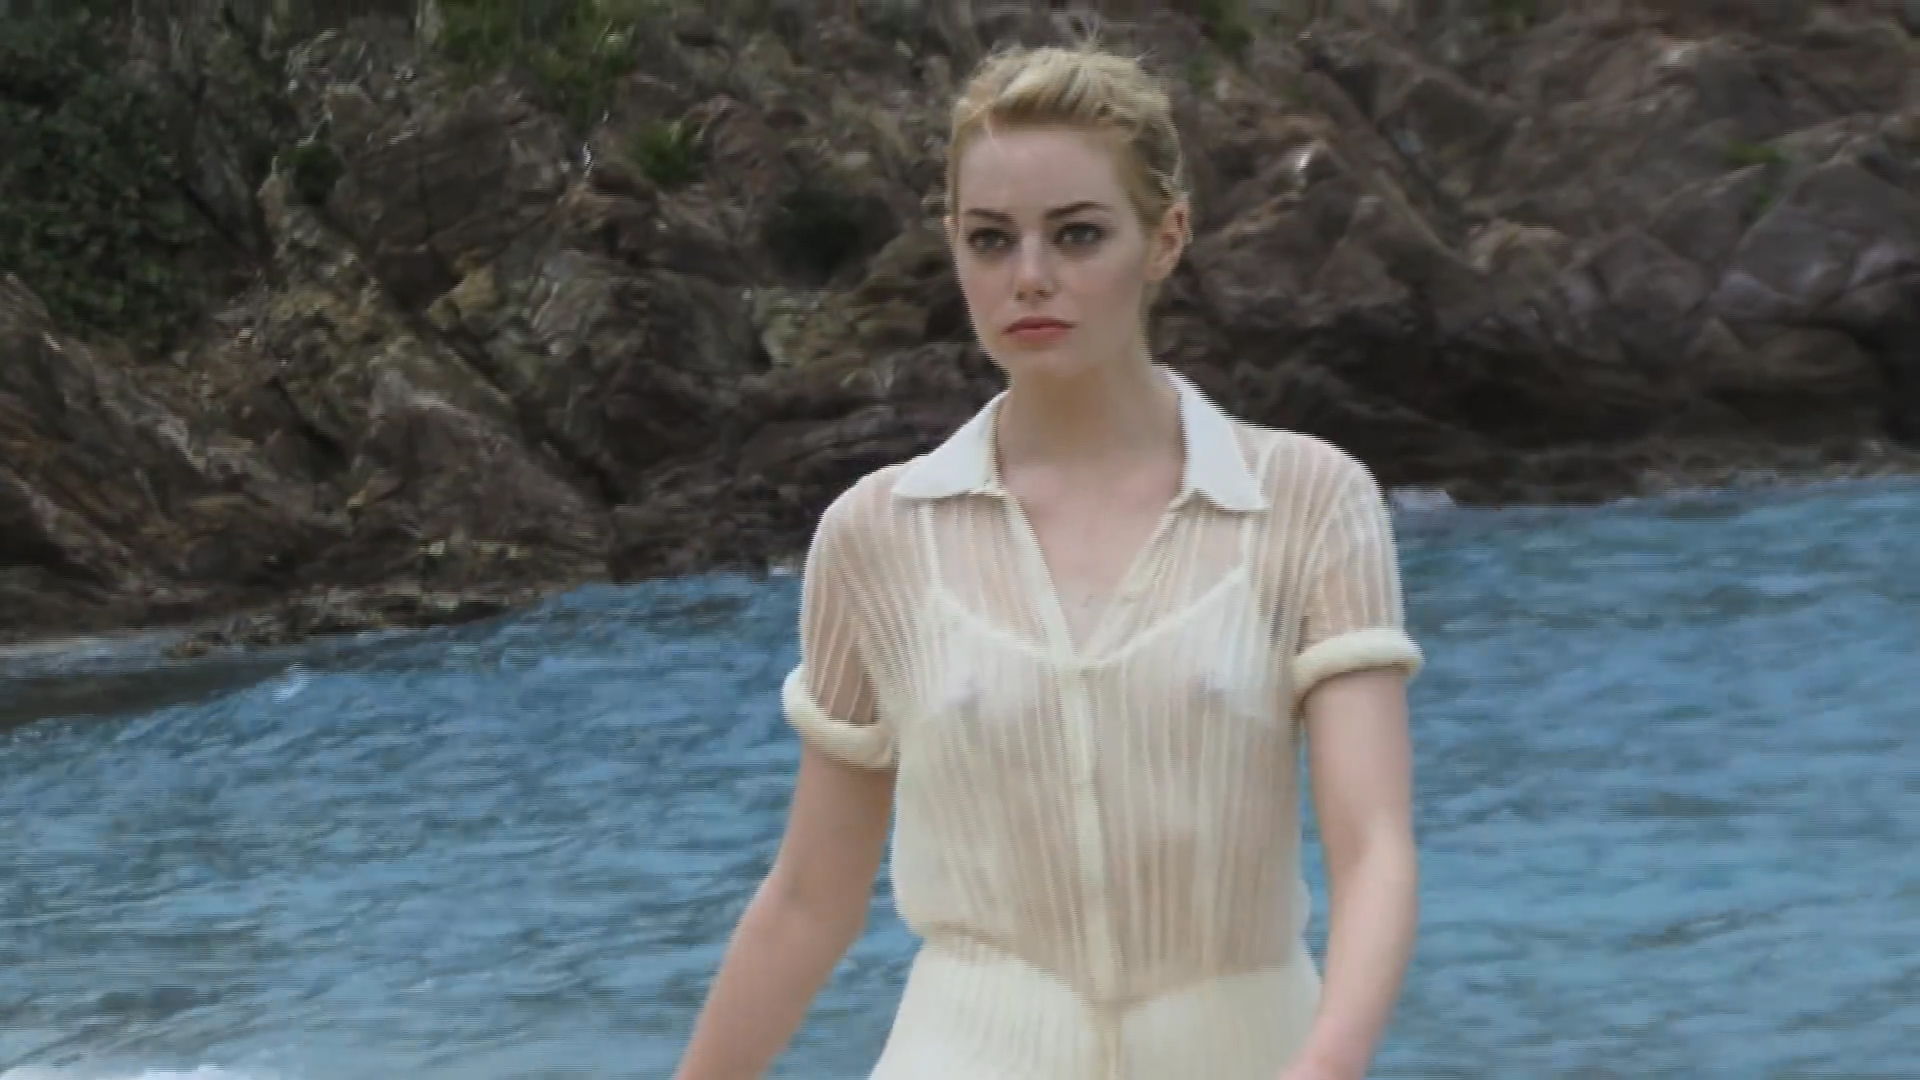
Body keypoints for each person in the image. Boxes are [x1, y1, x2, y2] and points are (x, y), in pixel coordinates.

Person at [672, 39, 1424, 1080]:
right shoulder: (875, 534)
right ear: (954, 247)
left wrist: (1328, 1067)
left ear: (1165, 238)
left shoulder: (1308, 499)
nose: (1030, 277)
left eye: (1077, 234)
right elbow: (810, 899)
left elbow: (1374, 850)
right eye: (992, 240)